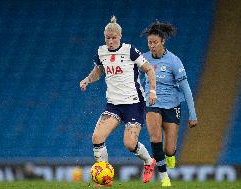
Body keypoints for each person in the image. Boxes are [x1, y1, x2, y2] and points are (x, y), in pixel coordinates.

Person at [80, 16, 157, 186]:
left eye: (114, 38)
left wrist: (152, 90)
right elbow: (98, 72)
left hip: (134, 104)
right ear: (104, 37)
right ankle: (105, 179)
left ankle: (148, 161)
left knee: (129, 144)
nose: (111, 41)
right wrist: (87, 79)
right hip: (114, 104)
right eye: (108, 38)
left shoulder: (130, 51)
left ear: (120, 37)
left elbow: (149, 69)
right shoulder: (101, 52)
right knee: (97, 137)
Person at [140, 21, 198, 187]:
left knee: (169, 149)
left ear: (162, 42)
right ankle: (164, 177)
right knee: (155, 136)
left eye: (155, 42)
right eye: (149, 42)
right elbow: (134, 78)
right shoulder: (143, 59)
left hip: (172, 106)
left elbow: (185, 88)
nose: (152, 46)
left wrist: (193, 114)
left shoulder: (174, 61)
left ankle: (169, 156)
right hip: (152, 103)